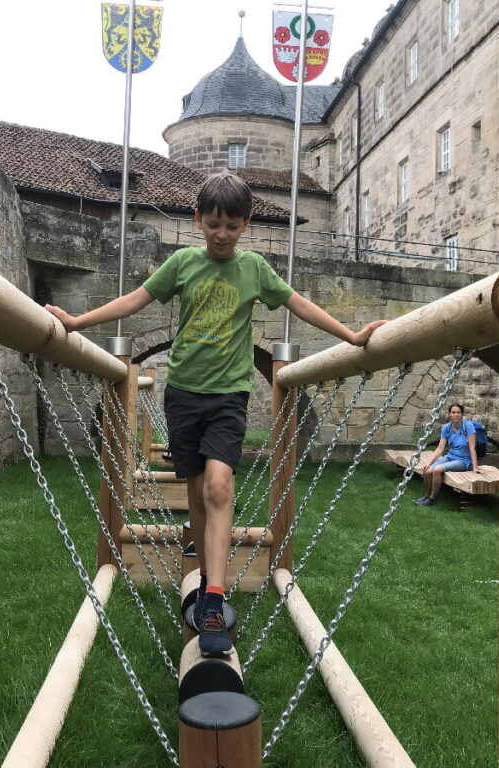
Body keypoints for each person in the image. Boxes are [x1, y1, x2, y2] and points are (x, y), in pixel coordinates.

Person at [45, 172, 385, 657]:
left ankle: (214, 597)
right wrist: (77, 322)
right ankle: (206, 572)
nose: (222, 234)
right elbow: (135, 299)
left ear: (246, 224)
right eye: (214, 224)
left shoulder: (254, 269)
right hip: (183, 395)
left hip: (229, 396)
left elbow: (299, 304)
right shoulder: (183, 263)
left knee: (220, 486)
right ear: (199, 219)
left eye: (231, 226)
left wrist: (351, 336)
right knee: (200, 499)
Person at [415, 403, 483, 506]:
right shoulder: (446, 427)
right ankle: (426, 496)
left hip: (464, 461)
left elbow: (472, 448)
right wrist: (429, 462)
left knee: (438, 469)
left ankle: (432, 499)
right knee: (428, 471)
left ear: (462, 414)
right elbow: (440, 448)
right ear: (449, 414)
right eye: (453, 412)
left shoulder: (468, 426)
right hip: (450, 457)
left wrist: (475, 467)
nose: (456, 415)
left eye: (458, 412)